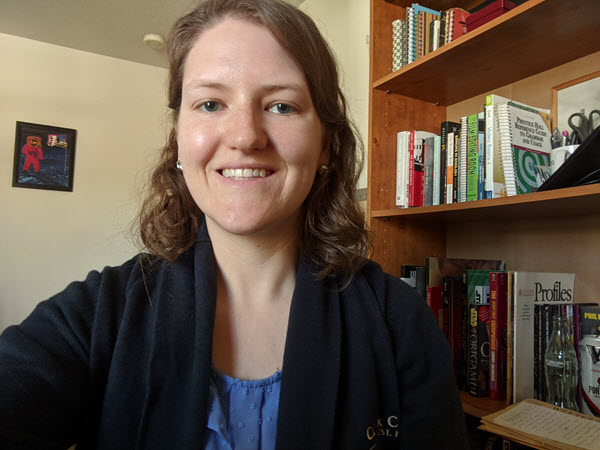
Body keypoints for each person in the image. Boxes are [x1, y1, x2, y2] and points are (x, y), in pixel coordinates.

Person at [0, 0, 468, 448]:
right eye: (209, 104)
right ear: (180, 140)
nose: (245, 135)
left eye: (282, 106)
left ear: (326, 146)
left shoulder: (401, 322)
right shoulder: (98, 315)